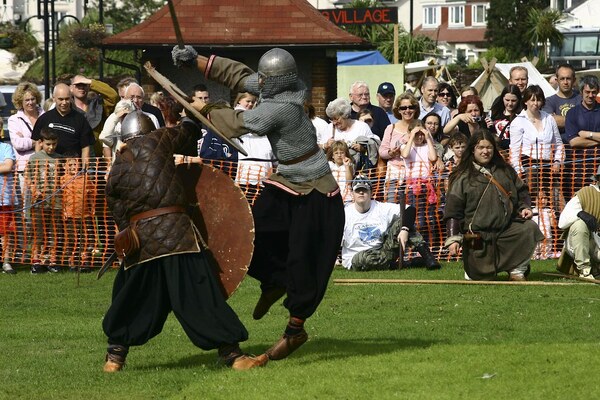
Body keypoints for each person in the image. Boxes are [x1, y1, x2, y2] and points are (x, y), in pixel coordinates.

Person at [172, 46, 345, 361]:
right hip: (287, 183)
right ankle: (273, 280)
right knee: (252, 234)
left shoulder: (284, 107)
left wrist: (205, 107)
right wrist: (194, 60)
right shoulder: (277, 85)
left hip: (316, 192)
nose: (259, 82)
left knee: (303, 262)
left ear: (278, 81)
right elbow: (239, 75)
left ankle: (295, 330)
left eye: (264, 78)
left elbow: (238, 122)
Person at [101, 110, 268, 372]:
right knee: (199, 295)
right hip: (177, 237)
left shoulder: (117, 166)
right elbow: (186, 133)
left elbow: (118, 212)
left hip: (142, 244)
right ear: (149, 128)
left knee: (132, 297)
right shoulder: (158, 139)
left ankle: (115, 357)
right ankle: (233, 355)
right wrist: (192, 116)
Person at [444, 129, 544, 281]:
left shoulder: (505, 171)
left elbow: (521, 191)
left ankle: (517, 270)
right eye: (481, 147)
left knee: (528, 228)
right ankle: (473, 269)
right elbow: (453, 210)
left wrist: (525, 207)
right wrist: (453, 239)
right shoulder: (461, 176)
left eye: (489, 147)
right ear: (473, 150)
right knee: (477, 277)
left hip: (505, 230)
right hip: (475, 235)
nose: (485, 151)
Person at [341, 176, 440, 271]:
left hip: (383, 251)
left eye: (365, 190)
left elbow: (410, 209)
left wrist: (404, 229)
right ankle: (406, 264)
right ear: (353, 193)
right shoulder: (344, 214)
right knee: (362, 258)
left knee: (404, 221)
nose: (361, 192)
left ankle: (428, 257)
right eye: (358, 190)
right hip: (356, 258)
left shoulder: (380, 208)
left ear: (371, 192)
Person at [508, 85, 563, 198]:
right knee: (531, 201)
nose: (535, 103)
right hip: (528, 167)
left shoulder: (549, 119)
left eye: (538, 100)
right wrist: (520, 172)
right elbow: (514, 151)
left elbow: (558, 144)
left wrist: (558, 161)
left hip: (549, 168)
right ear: (526, 101)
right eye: (532, 100)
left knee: (556, 201)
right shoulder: (518, 122)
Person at [7, 82, 44, 247]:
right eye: (26, 100)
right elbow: (18, 143)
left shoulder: (45, 114)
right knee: (25, 209)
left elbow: (52, 139)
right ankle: (24, 246)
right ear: (20, 102)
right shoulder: (14, 119)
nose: (30, 103)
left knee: (44, 209)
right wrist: (36, 141)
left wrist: (27, 139)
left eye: (32, 99)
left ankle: (43, 244)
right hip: (24, 170)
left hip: (45, 167)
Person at [25, 128, 63, 274]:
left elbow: (63, 179)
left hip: (56, 201)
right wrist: (34, 188)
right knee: (38, 232)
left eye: (54, 144)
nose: (51, 147)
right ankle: (36, 261)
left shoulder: (59, 158)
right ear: (41, 143)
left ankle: (51, 261)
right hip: (39, 201)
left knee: (54, 232)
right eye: (48, 144)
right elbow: (27, 177)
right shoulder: (35, 158)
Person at [31, 83, 95, 163]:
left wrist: (84, 170)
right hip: (50, 168)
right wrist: (39, 164)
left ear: (71, 98)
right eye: (61, 99)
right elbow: (38, 142)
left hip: (72, 168)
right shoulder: (44, 118)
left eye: (67, 99)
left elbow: (85, 147)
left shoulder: (80, 119)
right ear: (54, 99)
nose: (64, 102)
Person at [557, 166, 600, 280]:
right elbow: (562, 222)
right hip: (582, 242)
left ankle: (596, 269)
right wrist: (580, 214)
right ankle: (585, 270)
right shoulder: (585, 193)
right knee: (579, 225)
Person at [379, 93, 420, 203]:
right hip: (394, 174)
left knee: (414, 209)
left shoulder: (420, 126)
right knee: (392, 207)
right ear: (398, 110)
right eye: (403, 108)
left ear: (416, 109)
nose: (407, 110)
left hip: (416, 174)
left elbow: (431, 146)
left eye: (411, 107)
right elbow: (382, 151)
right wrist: (391, 153)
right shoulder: (391, 128)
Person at [563, 75, 600, 198]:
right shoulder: (572, 113)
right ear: (581, 92)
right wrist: (597, 139)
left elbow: (580, 138)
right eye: (587, 92)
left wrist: (588, 134)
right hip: (579, 168)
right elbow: (574, 141)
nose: (590, 95)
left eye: (594, 92)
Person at [234, 92, 274, 202]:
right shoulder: (237, 116)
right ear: (239, 100)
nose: (250, 104)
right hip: (247, 175)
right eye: (248, 101)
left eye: (253, 102)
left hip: (263, 175)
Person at [60, 155, 96, 272]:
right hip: (70, 215)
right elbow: (62, 197)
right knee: (71, 239)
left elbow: (90, 194)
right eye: (70, 165)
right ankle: (73, 262)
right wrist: (64, 210)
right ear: (65, 166)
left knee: (87, 238)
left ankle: (85, 262)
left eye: (75, 164)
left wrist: (92, 207)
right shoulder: (63, 179)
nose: (73, 167)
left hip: (85, 215)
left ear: (80, 165)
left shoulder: (86, 178)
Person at [324, 98, 380, 171]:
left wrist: (362, 148)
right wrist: (326, 145)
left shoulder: (362, 127)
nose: (334, 122)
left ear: (345, 115)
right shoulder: (330, 128)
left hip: (358, 172)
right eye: (331, 119)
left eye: (336, 119)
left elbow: (373, 147)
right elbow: (318, 148)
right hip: (336, 173)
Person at [69, 74, 119, 155]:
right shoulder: (68, 108)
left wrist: (91, 82)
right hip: (76, 159)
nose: (81, 87)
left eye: (84, 84)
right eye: (78, 85)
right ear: (71, 88)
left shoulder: (98, 105)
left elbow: (113, 96)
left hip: (99, 158)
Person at [543, 63, 581, 144]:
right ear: (557, 80)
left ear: (574, 80)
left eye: (568, 78)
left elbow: (589, 121)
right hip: (557, 148)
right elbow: (551, 122)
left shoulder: (582, 99)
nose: (565, 82)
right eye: (562, 78)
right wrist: (578, 121)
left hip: (580, 148)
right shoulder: (549, 101)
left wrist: (559, 119)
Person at [489, 84, 522, 151]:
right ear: (502, 98)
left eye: (513, 101)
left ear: (518, 100)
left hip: (515, 151)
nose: (510, 103)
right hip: (497, 152)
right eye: (507, 100)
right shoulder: (495, 113)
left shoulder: (522, 116)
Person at [0, 139, 16, 274]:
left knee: (5, 233)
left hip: (4, 198)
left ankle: (6, 262)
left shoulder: (6, 147)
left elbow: (7, 167)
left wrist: (4, 166)